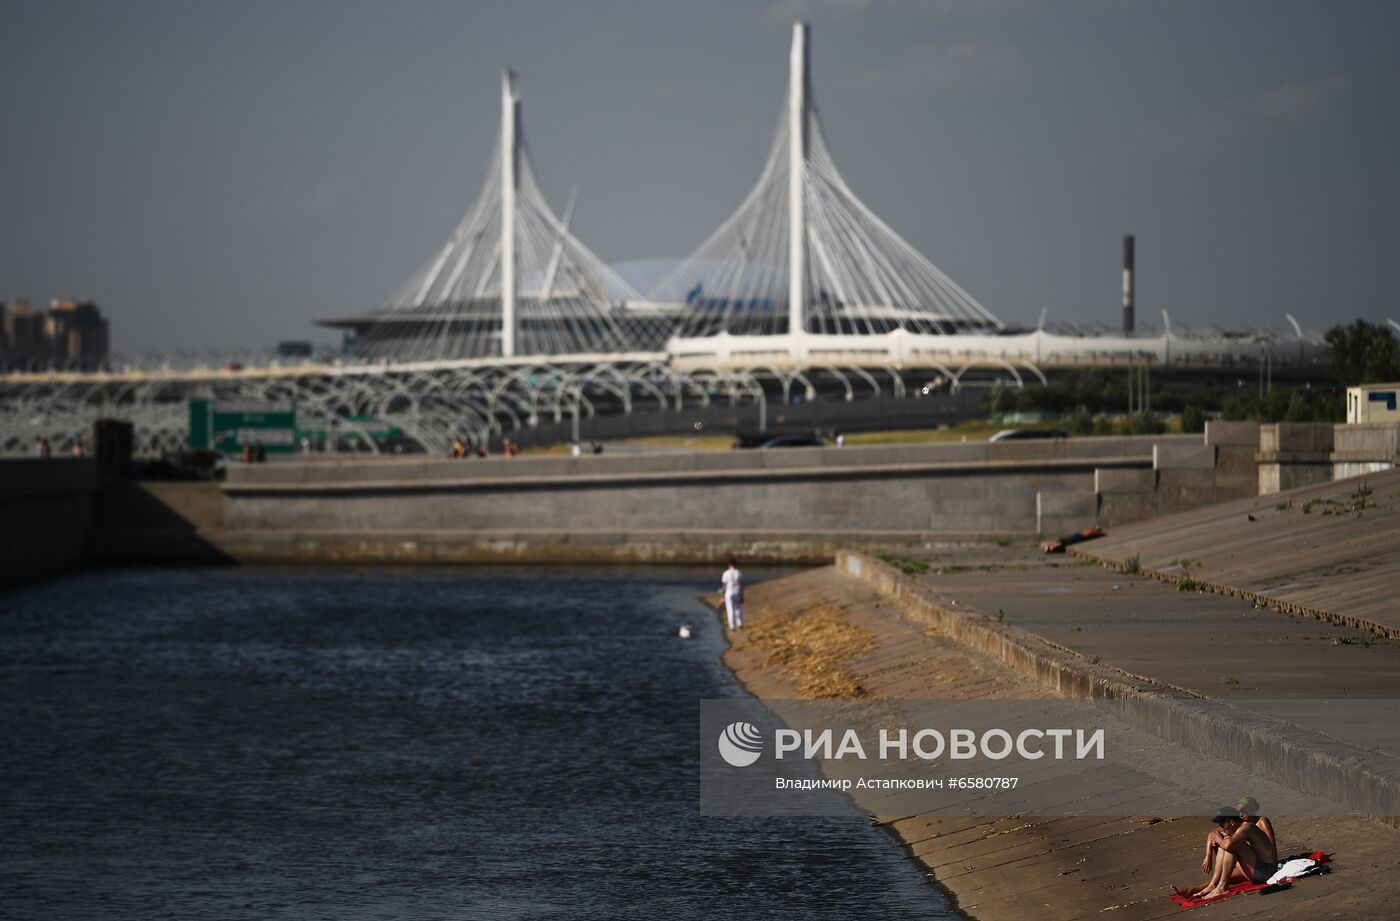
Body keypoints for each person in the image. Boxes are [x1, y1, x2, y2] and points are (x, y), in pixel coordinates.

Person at [1177, 806, 1279, 901]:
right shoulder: (1235, 827)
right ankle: (1214, 884)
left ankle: (1222, 886)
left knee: (1230, 844)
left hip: (1266, 872)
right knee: (1226, 842)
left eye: (1223, 825)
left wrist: (1220, 840)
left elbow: (1228, 845)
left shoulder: (1247, 827)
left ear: (1232, 822)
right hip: (1258, 870)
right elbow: (1213, 834)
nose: (1222, 828)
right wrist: (1209, 855)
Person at [720, 559, 744, 631]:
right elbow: (741, 585)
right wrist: (742, 595)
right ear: (735, 565)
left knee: (730, 609)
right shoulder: (739, 573)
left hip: (728, 592)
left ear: (729, 565)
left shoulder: (726, 573)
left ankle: (732, 626)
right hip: (737, 592)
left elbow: (724, 585)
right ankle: (739, 623)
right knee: (738, 608)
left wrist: (722, 596)